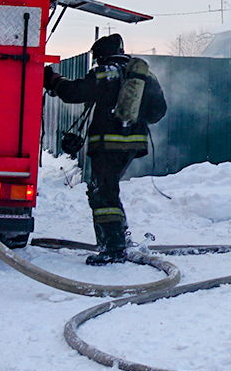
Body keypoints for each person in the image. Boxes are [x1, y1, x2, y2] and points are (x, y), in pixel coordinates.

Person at [44, 33, 161, 264]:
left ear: (100, 56)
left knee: (102, 194)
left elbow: (73, 93)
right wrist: (132, 120)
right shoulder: (143, 73)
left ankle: (113, 248)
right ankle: (119, 237)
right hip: (132, 145)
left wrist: (53, 80)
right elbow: (159, 111)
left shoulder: (105, 71)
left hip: (107, 144)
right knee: (108, 189)